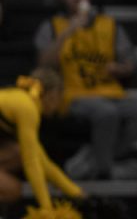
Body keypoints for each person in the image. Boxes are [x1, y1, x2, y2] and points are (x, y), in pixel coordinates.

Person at [34, 0, 137, 180]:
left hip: (109, 91)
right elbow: (43, 64)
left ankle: (93, 161)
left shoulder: (109, 25)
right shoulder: (52, 27)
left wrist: (121, 69)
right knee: (106, 113)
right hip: (72, 95)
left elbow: (133, 62)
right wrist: (69, 31)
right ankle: (107, 170)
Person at [0, 69, 84, 212]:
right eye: (60, 96)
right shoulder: (28, 108)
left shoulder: (22, 100)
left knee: (17, 153)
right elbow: (31, 163)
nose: (59, 104)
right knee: (12, 189)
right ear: (51, 94)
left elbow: (42, 161)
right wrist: (47, 209)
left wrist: (77, 193)